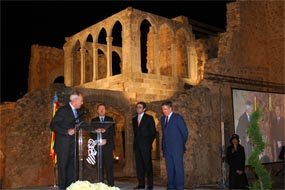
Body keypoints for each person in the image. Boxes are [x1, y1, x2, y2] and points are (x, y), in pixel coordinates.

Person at [50, 90, 84, 190]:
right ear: (75, 100)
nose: (82, 103)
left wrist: (95, 129)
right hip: (63, 146)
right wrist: (66, 131)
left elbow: (81, 124)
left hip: (73, 145)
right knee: (63, 170)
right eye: (81, 100)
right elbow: (53, 125)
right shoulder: (63, 110)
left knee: (72, 170)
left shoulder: (78, 112)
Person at [160, 101, 188, 190]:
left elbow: (185, 133)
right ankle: (171, 186)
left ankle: (179, 187)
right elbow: (165, 134)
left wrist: (179, 144)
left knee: (178, 168)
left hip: (177, 148)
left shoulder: (177, 118)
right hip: (167, 148)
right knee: (170, 168)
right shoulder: (162, 119)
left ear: (170, 108)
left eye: (165, 109)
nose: (163, 111)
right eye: (162, 109)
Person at [90, 103, 115, 186]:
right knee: (99, 166)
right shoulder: (94, 120)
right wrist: (97, 140)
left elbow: (112, 132)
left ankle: (111, 185)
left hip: (108, 146)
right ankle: (100, 184)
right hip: (98, 147)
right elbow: (92, 133)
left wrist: (106, 140)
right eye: (100, 108)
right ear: (97, 110)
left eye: (103, 108)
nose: (101, 110)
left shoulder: (110, 119)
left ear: (105, 110)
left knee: (109, 166)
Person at [132, 102, 156, 190]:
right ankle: (141, 184)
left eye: (140, 107)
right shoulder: (134, 119)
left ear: (144, 109)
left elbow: (153, 133)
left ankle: (150, 185)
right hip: (137, 146)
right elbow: (136, 133)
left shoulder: (149, 118)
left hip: (146, 146)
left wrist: (148, 143)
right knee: (139, 166)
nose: (138, 108)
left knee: (148, 165)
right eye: (137, 107)